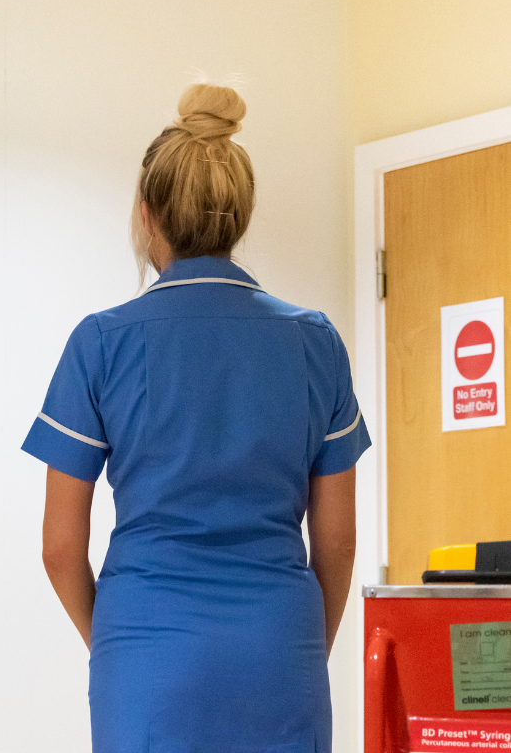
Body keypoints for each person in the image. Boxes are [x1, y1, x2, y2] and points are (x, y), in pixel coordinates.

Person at [23, 84, 367, 752]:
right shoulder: (314, 341)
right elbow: (339, 541)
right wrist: (294, 648)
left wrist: (121, 644)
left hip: (145, 650)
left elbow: (59, 546)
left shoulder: (101, 341)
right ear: (241, 214)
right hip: (279, 645)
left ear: (147, 213)